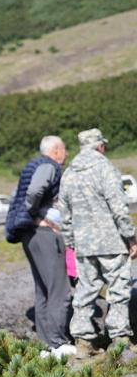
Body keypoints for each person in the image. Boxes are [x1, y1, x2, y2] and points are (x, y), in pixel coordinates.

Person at [58, 128, 137, 357]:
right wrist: (131, 237)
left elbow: (65, 214)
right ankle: (120, 339)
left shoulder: (70, 172)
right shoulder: (105, 168)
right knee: (119, 289)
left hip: (84, 244)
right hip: (110, 241)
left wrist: (71, 242)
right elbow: (119, 208)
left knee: (85, 290)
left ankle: (83, 343)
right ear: (100, 146)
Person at [5, 135, 75, 359]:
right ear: (55, 151)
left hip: (32, 235)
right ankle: (58, 342)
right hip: (45, 234)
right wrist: (34, 213)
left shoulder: (32, 165)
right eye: (63, 150)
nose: (66, 154)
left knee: (43, 290)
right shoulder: (49, 166)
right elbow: (35, 191)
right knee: (59, 289)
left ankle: (46, 346)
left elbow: (19, 195)